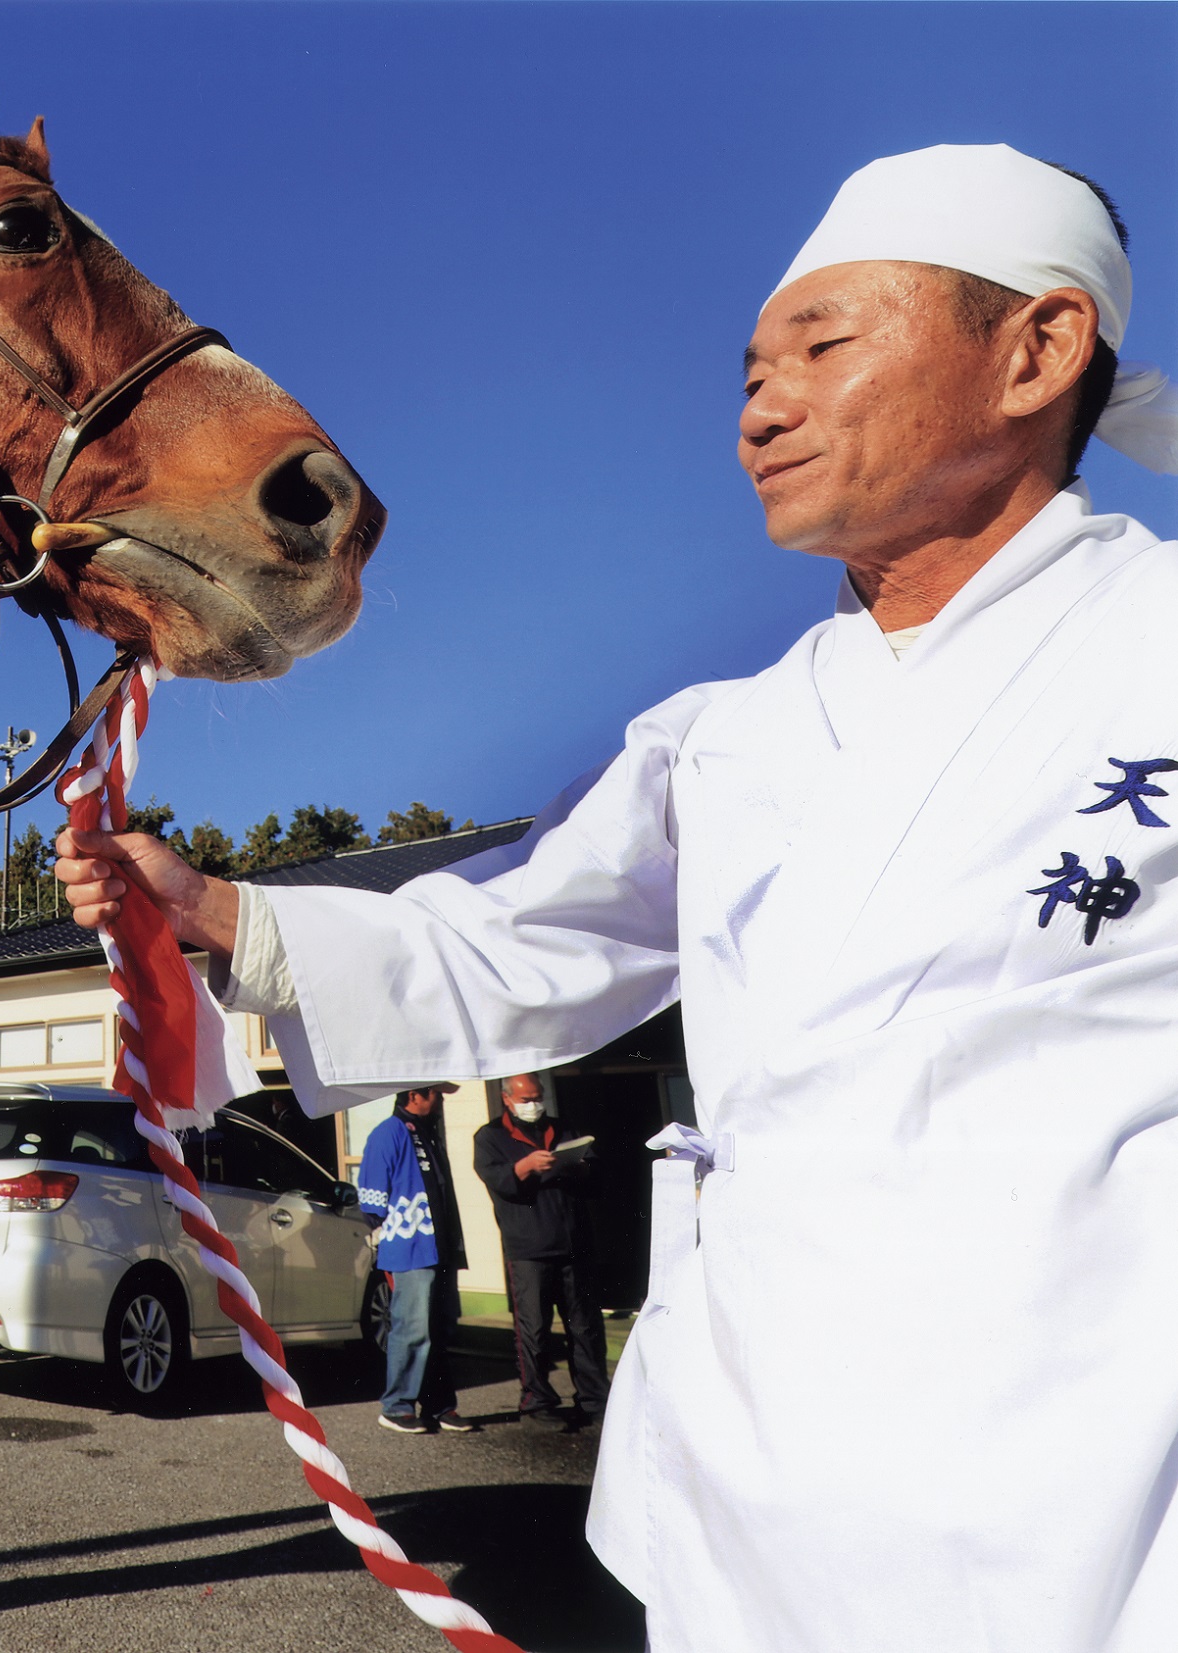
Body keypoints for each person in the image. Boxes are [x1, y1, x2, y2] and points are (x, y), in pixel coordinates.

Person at [57, 145, 1178, 1650]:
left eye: (820, 347)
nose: (758, 407)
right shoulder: (720, 736)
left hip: (1097, 1494)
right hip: (753, 1488)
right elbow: (524, 935)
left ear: (1035, 350)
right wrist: (222, 913)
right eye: (745, 373)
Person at [473, 1073, 608, 1429]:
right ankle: (536, 1404)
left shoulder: (563, 1128)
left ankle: (594, 1400)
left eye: (537, 1097)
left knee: (585, 1326)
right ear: (507, 1099)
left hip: (573, 1242)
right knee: (534, 1329)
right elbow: (497, 1180)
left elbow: (594, 1172)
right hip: (528, 1247)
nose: (533, 1105)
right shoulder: (491, 1137)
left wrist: (577, 1166)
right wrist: (526, 1166)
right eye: (525, 1099)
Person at [356, 1082, 475, 1435]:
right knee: (412, 1328)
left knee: (438, 1328)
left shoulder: (427, 1132)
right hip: (409, 1248)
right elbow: (371, 1203)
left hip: (439, 1248)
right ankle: (397, 1406)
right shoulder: (387, 1133)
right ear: (414, 1096)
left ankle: (440, 1405)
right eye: (435, 1094)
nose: (439, 1101)